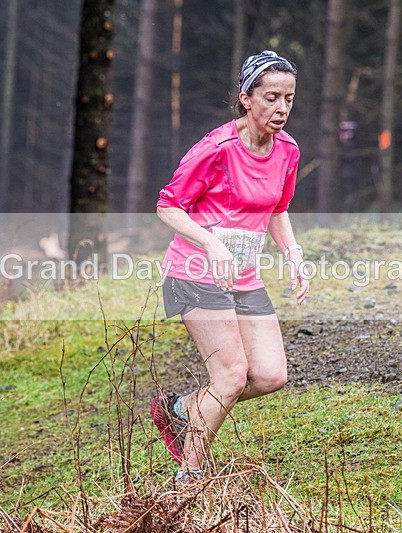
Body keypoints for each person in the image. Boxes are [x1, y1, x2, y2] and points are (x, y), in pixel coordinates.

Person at [151, 50, 309, 482]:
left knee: (271, 375)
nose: (281, 109)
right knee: (232, 376)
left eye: (289, 99)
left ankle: (180, 410)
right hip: (194, 273)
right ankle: (189, 478)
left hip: (243, 279)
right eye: (271, 97)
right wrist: (210, 243)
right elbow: (168, 206)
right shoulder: (216, 148)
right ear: (246, 99)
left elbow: (278, 208)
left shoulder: (288, 151)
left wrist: (292, 253)